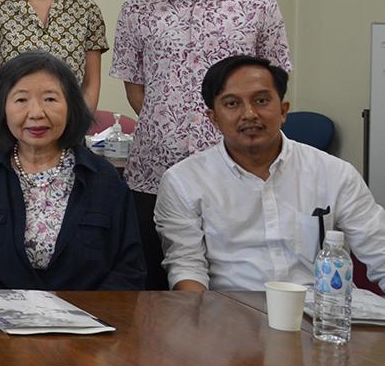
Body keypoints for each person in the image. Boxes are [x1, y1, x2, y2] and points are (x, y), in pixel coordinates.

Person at [110, 0, 291, 288]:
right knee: (155, 290)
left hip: (237, 172)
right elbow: (136, 90)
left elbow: (273, 83)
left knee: (238, 284)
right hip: (154, 174)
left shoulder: (256, 4)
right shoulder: (137, 10)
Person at [156, 55, 385, 292]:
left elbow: (379, 250)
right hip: (231, 308)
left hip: (322, 307)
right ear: (214, 119)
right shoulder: (184, 181)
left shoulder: (335, 173)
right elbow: (187, 267)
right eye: (232, 104)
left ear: (283, 111)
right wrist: (202, 314)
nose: (249, 114)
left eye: (261, 100)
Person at [0, 52, 144, 290]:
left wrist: (85, 309)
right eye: (21, 100)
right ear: (2, 108)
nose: (36, 113)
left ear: (71, 106)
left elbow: (129, 269)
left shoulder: (104, 180)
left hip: (87, 312)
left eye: (50, 99)